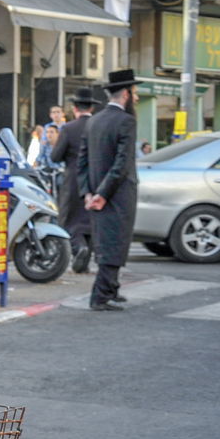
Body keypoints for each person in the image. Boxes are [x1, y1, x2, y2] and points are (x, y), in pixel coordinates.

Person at [79, 69, 140, 311]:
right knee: (115, 243)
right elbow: (122, 163)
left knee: (107, 242)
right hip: (116, 194)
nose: (136, 98)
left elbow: (82, 162)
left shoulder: (93, 120)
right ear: (126, 94)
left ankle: (112, 288)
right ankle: (100, 296)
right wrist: (103, 194)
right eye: (134, 93)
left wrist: (88, 193)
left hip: (96, 193)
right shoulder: (126, 121)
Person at [51, 88, 95, 273]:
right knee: (90, 221)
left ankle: (79, 248)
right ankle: (84, 262)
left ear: (75, 108)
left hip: (73, 181)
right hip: (96, 180)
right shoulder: (98, 126)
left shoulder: (69, 129)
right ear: (91, 107)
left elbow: (55, 156)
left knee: (69, 219)